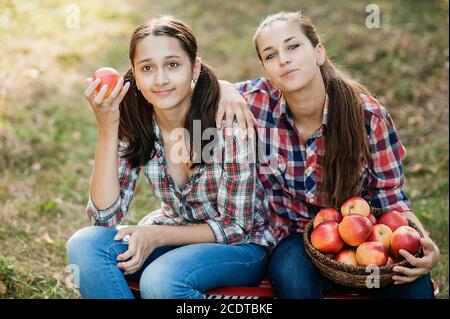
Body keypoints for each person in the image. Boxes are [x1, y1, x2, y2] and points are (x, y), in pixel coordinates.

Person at [217, 11, 440, 299]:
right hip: (295, 235)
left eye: (293, 46)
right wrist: (222, 87)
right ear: (266, 71)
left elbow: (391, 196)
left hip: (365, 233)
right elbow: (190, 87)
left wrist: (423, 242)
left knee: (413, 289)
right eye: (271, 55)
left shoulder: (368, 117)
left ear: (319, 52)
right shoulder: (254, 104)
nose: (283, 59)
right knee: (293, 279)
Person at [66, 15, 277, 299]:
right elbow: (105, 217)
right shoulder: (138, 121)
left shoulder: (226, 123)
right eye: (147, 68)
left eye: (173, 65)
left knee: (161, 280)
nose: (161, 79)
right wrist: (108, 127)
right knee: (85, 244)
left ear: (195, 68)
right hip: (174, 236)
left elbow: (236, 227)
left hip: (239, 249)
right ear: (135, 75)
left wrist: (157, 236)